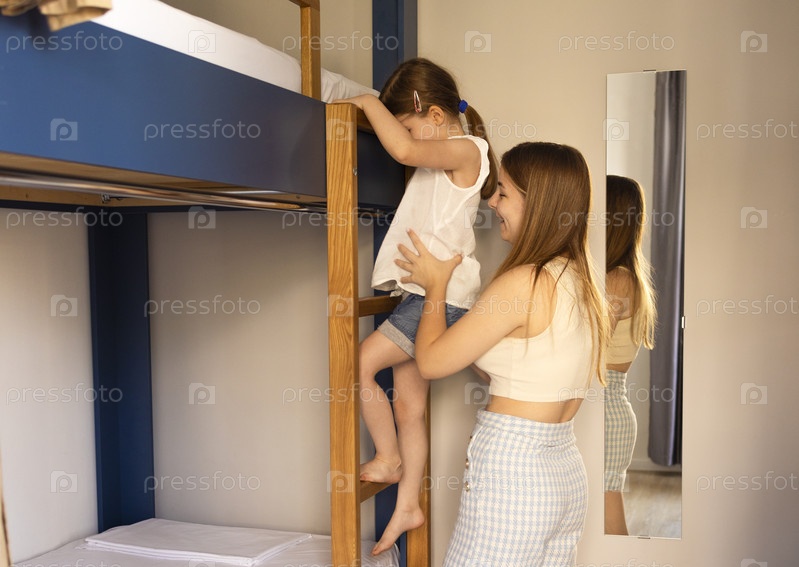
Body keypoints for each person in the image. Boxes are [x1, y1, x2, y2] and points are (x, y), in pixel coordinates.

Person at [397, 141, 607, 565]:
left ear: (538, 204)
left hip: (515, 472)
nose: (492, 202)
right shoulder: (581, 281)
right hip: (564, 474)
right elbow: (513, 368)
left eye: (504, 193)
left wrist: (436, 286)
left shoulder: (524, 282)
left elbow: (431, 362)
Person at [334, 57, 497, 555]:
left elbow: (404, 149)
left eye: (408, 123)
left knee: (358, 363)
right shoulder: (442, 156)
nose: (405, 137)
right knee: (409, 407)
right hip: (424, 294)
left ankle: (388, 459)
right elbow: (411, 151)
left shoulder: (467, 149)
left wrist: (366, 103)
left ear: (434, 114)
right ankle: (408, 505)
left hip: (439, 297)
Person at [603, 174, 657, 535]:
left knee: (607, 513)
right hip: (610, 408)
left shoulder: (617, 279)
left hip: (606, 410)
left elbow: (590, 344)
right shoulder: (627, 276)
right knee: (606, 506)